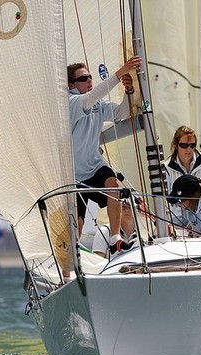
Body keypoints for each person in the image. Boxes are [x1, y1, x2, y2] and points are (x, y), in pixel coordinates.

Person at [68, 55, 141, 254]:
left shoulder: (97, 104)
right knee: (77, 221)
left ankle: (115, 237)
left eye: (90, 77)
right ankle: (73, 258)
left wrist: (128, 91)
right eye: (83, 78)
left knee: (114, 184)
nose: (89, 80)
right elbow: (90, 97)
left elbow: (121, 114)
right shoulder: (72, 101)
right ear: (71, 85)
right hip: (73, 174)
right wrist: (120, 73)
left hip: (94, 165)